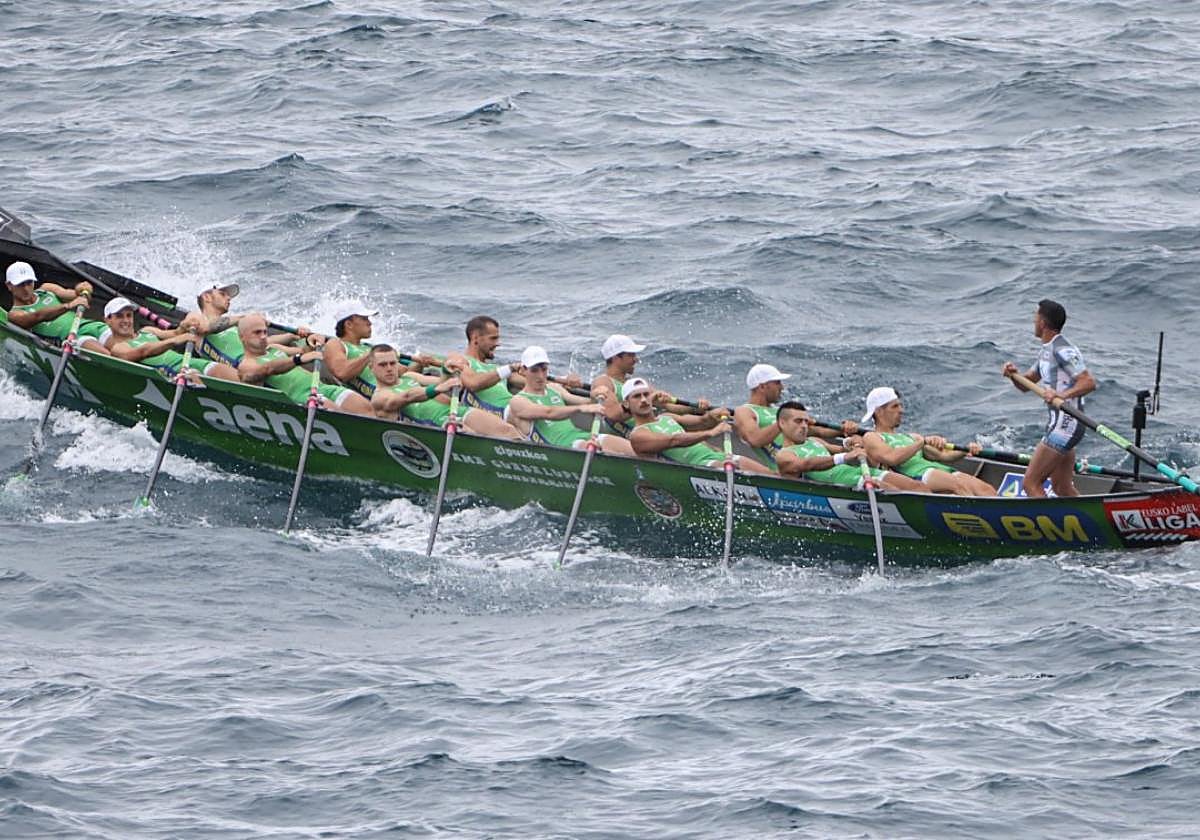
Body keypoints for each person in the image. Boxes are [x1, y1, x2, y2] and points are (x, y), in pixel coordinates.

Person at [1002, 298, 1097, 497]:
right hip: (1059, 424)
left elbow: (1088, 382)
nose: (1033, 322)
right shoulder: (1046, 351)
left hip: (1067, 424)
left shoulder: (1063, 349)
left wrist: (1061, 395)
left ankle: (1047, 526)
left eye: (1035, 318)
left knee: (1031, 483)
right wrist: (1013, 375)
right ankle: (1085, 522)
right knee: (1061, 488)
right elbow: (1026, 385)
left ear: (1043, 323)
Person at [859, 387, 996, 496]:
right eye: (895, 407)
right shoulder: (872, 437)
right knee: (958, 486)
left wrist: (965, 450)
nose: (901, 410)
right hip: (916, 476)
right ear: (878, 412)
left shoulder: (912, 437)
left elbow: (944, 456)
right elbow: (892, 458)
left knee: (986, 490)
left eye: (900, 406)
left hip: (940, 470)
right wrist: (921, 443)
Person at [625, 377, 774, 474]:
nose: (643, 400)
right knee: (728, 467)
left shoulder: (667, 417)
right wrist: (711, 433)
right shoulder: (638, 435)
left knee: (770, 474)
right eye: (637, 397)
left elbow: (701, 422)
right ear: (626, 403)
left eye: (646, 395)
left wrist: (712, 415)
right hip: (697, 467)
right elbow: (674, 440)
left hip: (719, 456)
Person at [368, 344, 521, 438]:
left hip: (456, 412)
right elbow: (407, 397)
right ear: (371, 367)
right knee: (474, 437)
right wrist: (437, 389)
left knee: (508, 431)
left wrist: (446, 371)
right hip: (437, 427)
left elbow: (442, 382)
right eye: (382, 365)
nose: (389, 369)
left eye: (392, 363)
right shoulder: (380, 397)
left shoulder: (409, 376)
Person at [236, 314, 373, 415]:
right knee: (341, 415)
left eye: (265, 332)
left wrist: (310, 341)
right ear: (242, 336)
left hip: (323, 388)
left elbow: (304, 352)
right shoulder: (246, 365)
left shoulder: (275, 348)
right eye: (257, 332)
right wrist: (298, 359)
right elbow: (268, 368)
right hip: (304, 398)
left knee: (367, 409)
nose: (263, 336)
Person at [505, 346, 634, 454]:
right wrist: (579, 408)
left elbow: (585, 403)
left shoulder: (554, 388)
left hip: (583, 436)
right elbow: (548, 412)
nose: (540, 375)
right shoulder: (518, 401)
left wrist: (594, 396)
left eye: (544, 369)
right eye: (534, 370)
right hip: (561, 447)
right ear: (523, 371)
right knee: (585, 446)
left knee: (631, 449)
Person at [774, 401, 922, 491]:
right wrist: (845, 456)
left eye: (806, 421)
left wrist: (851, 443)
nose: (804, 426)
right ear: (782, 423)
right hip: (846, 483)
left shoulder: (814, 441)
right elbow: (807, 464)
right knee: (895, 491)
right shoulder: (784, 455)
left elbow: (842, 450)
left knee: (917, 487)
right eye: (798, 421)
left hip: (862, 472)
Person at [733, 363, 857, 466]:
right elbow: (755, 440)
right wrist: (783, 422)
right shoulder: (745, 411)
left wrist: (843, 429)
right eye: (777, 383)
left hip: (811, 457)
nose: (782, 387)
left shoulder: (779, 411)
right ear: (762, 386)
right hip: (791, 467)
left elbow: (819, 432)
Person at [592, 333, 709, 434]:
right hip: (637, 437)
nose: (636, 359)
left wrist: (695, 408)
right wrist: (649, 399)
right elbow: (612, 414)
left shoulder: (634, 383)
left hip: (654, 428)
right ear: (616, 358)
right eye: (631, 355)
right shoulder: (603, 382)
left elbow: (669, 406)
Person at [100, 297, 239, 380]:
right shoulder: (118, 347)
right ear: (107, 320)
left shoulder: (147, 331)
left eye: (128, 315)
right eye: (119, 316)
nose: (125, 320)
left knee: (230, 374)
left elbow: (175, 333)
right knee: (203, 375)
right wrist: (173, 341)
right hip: (175, 374)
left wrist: (185, 326)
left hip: (190, 363)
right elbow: (143, 351)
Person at [323, 301, 440, 398]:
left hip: (404, 385)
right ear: (349, 324)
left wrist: (420, 364)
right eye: (364, 319)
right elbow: (342, 373)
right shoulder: (336, 344)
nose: (369, 323)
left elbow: (404, 372)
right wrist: (371, 355)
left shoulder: (367, 347)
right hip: (385, 396)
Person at [193, 282, 312, 366]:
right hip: (248, 372)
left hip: (264, 361)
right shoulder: (196, 320)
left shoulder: (234, 327)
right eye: (222, 294)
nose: (228, 298)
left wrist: (293, 335)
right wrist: (246, 318)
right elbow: (206, 328)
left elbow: (265, 342)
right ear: (207, 297)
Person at [4, 261, 110, 353]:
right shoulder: (14, 315)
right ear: (9, 286)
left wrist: (81, 289)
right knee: (106, 354)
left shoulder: (47, 289)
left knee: (124, 350)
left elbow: (75, 295)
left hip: (88, 325)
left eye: (29, 283)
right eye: (20, 284)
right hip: (71, 339)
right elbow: (38, 316)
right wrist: (67, 306)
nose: (26, 289)